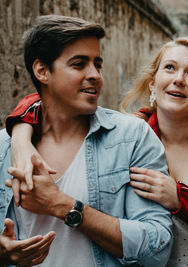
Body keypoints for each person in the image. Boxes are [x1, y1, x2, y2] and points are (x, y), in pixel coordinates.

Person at [7, 37, 188, 266]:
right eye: (170, 68)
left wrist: (181, 200)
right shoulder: (127, 139)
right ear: (152, 84)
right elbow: (50, 98)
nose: (179, 79)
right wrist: (20, 132)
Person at [0, 15, 173, 266]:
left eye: (97, 64)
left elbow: (158, 248)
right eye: (79, 64)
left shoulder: (132, 137)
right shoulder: (6, 148)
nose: (95, 75)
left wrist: (63, 206)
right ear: (42, 71)